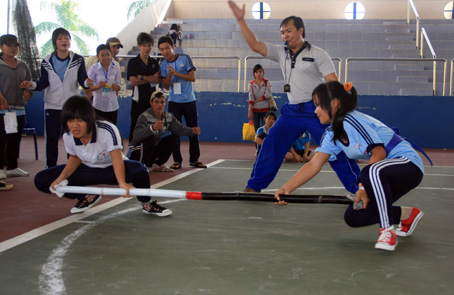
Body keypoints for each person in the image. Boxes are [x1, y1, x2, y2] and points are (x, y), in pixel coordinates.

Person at [228, 1, 360, 196]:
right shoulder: (281, 53)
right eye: (282, 32)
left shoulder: (318, 54)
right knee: (272, 142)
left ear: (300, 30)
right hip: (291, 111)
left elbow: (333, 83)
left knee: (337, 147)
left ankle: (357, 190)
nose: (284, 35)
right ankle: (254, 187)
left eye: (288, 31)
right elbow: (255, 45)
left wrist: (336, 108)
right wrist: (240, 20)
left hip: (317, 111)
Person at [275, 81, 424, 251]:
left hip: (407, 164)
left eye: (318, 105)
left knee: (370, 171)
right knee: (354, 217)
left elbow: (379, 153)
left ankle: (387, 231)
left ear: (334, 104)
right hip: (383, 175)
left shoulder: (350, 120)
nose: (315, 110)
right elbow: (314, 164)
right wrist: (286, 189)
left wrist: (363, 187)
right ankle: (407, 215)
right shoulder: (332, 133)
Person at [34, 95, 172, 216]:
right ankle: (87, 197)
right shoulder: (68, 135)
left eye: (79, 120)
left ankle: (147, 204)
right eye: (70, 121)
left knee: (140, 170)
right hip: (87, 170)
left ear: (91, 118)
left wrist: (122, 183)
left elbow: (116, 158)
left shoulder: (107, 129)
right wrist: (60, 179)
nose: (74, 126)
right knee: (41, 179)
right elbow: (74, 158)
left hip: (111, 169)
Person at [20, 28, 92, 168]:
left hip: (71, 107)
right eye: (60, 38)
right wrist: (32, 85)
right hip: (52, 106)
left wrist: (87, 83)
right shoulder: (47, 60)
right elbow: (43, 82)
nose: (64, 41)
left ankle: (72, 167)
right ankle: (50, 168)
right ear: (55, 42)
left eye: (67, 38)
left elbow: (82, 79)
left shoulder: (78, 59)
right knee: (51, 138)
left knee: (73, 138)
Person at [158, 35, 207, 169]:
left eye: (167, 48)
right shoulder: (162, 65)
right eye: (162, 50)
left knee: (193, 129)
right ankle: (177, 160)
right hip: (174, 102)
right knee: (175, 131)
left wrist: (176, 73)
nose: (165, 51)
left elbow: (192, 77)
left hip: (189, 101)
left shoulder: (185, 58)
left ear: (173, 47)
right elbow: (166, 86)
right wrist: (169, 74)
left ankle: (194, 159)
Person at [129, 90, 202, 172]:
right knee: (151, 138)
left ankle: (157, 164)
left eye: (162, 102)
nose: (160, 105)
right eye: (156, 102)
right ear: (151, 103)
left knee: (173, 138)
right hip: (137, 152)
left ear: (165, 103)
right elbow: (136, 136)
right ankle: (141, 166)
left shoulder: (168, 117)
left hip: (152, 151)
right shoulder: (144, 116)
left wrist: (192, 131)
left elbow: (179, 129)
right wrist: (152, 128)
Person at [0, 34, 33, 178]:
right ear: (1, 47)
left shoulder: (23, 65)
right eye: (10, 45)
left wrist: (28, 93)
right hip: (2, 110)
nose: (14, 48)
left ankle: (13, 167)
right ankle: (0, 169)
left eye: (16, 46)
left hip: (19, 110)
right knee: (1, 139)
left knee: (15, 139)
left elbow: (30, 85)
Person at [127, 32, 161, 141]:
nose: (147, 48)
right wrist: (150, 77)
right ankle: (133, 153)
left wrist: (142, 77)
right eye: (144, 45)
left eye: (149, 45)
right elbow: (133, 81)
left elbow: (157, 80)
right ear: (139, 46)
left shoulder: (154, 62)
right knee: (136, 127)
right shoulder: (133, 62)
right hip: (138, 101)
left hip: (152, 101)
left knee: (152, 128)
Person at [87, 44, 122, 124]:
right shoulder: (93, 69)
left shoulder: (115, 67)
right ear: (98, 56)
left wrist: (117, 87)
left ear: (111, 55)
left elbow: (119, 84)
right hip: (99, 106)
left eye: (108, 54)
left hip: (112, 105)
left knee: (112, 129)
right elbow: (88, 88)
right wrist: (99, 86)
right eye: (102, 55)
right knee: (98, 129)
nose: (106, 58)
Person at [248, 64, 273, 133]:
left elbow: (267, 95)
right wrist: (250, 111)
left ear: (263, 72)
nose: (259, 73)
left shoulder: (267, 82)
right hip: (254, 111)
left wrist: (255, 101)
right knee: (256, 130)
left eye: (260, 71)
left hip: (265, 110)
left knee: (266, 129)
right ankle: (258, 143)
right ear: (254, 74)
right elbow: (251, 97)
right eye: (256, 72)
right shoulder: (251, 84)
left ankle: (265, 143)